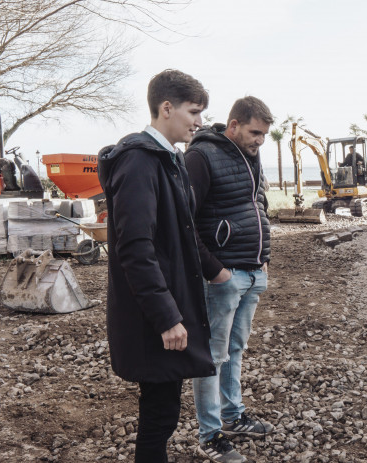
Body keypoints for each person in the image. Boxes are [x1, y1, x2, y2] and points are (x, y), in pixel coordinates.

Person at [97, 69, 220, 463]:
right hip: (152, 314)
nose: (199, 122)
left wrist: (215, 271)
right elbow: (135, 248)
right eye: (194, 111)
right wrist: (167, 317)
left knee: (163, 408)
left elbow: (181, 232)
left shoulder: (170, 160)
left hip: (167, 303)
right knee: (159, 413)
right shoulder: (139, 162)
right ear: (166, 108)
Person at [185, 96, 273, 463]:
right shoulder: (201, 156)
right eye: (255, 132)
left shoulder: (250, 156)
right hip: (223, 276)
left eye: (265, 135)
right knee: (211, 357)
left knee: (235, 349)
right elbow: (184, 221)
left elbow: (259, 203)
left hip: (252, 273)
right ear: (233, 125)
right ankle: (209, 434)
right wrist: (215, 271)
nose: (260, 141)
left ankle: (233, 415)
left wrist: (263, 260)